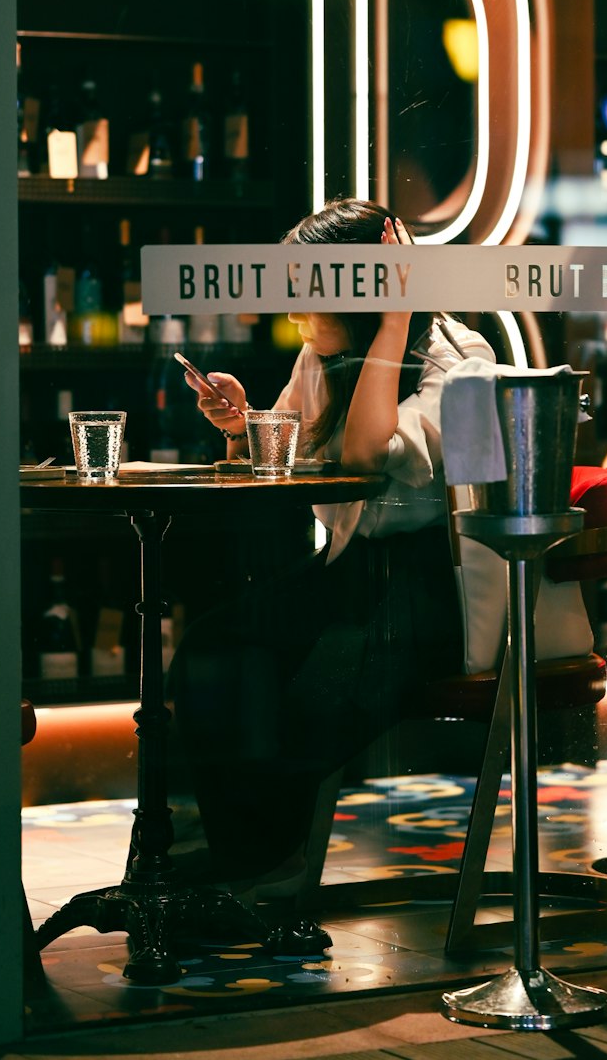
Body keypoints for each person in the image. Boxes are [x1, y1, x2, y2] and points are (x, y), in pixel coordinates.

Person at [169, 198, 495, 897]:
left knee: (311, 692)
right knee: (211, 650)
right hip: (350, 573)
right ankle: (243, 856)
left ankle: (271, 866)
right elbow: (286, 448)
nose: (295, 313)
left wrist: (396, 320)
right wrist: (239, 419)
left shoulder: (460, 360)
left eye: (307, 294)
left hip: (429, 588)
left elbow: (368, 452)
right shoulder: (322, 356)